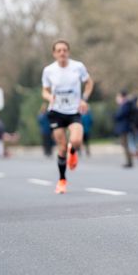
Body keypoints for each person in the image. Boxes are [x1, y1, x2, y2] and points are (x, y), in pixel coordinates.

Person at [41, 40, 94, 194]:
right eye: (59, 50)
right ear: (54, 53)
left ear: (68, 52)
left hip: (73, 110)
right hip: (56, 111)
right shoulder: (49, 70)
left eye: (64, 50)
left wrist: (84, 98)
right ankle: (62, 180)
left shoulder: (78, 67)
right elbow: (44, 90)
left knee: (76, 140)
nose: (62, 53)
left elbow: (89, 83)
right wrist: (49, 97)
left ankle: (73, 152)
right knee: (62, 147)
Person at [114, 91, 134, 168]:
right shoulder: (125, 105)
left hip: (124, 128)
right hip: (124, 127)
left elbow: (120, 115)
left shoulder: (125, 105)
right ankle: (129, 161)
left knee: (125, 145)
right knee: (125, 145)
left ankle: (129, 161)